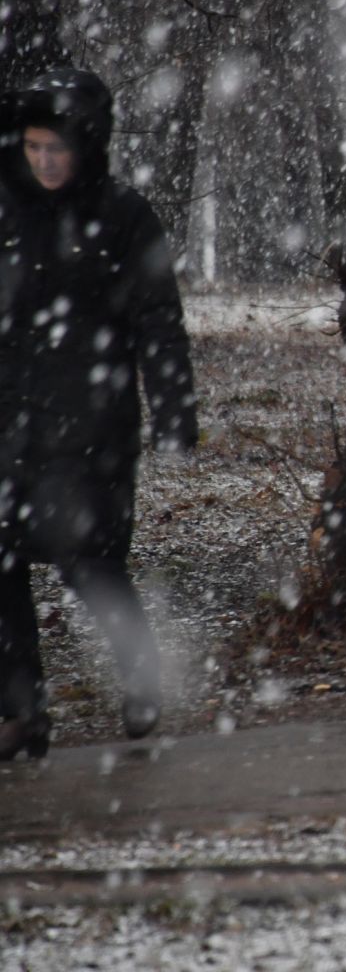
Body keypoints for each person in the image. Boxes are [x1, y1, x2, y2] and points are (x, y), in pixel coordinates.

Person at [1, 69, 197, 760]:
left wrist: (175, 410)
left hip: (93, 424)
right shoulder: (10, 213)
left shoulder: (122, 216)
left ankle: (141, 670)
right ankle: (23, 711)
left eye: (56, 148)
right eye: (33, 148)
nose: (45, 161)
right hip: (12, 420)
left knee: (89, 562)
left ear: (85, 146)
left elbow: (158, 322)